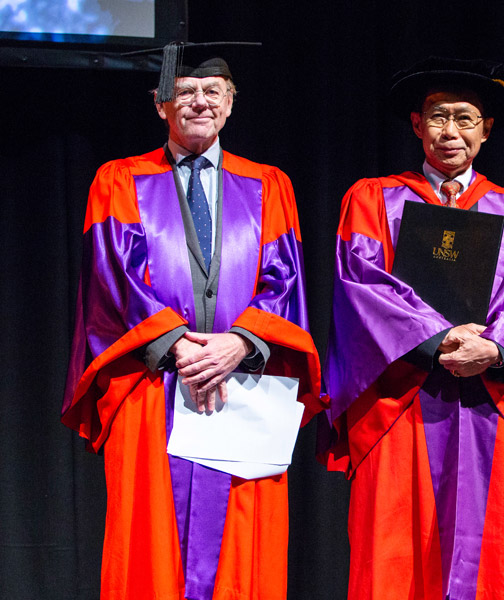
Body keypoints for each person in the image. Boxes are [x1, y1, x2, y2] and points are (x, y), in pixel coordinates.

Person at [61, 42, 322, 600]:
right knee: (148, 545)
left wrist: (241, 342)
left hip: (243, 386)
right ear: (161, 104)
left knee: (243, 547)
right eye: (185, 92)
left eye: (212, 92)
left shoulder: (269, 184)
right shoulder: (119, 179)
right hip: (150, 387)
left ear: (230, 103)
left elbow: (285, 279)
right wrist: (177, 344)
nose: (199, 102)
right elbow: (113, 276)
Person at [319, 56, 504, 600]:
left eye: (465, 118)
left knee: (494, 551)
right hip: (401, 398)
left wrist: (493, 348)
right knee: (395, 553)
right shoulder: (372, 196)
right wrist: (438, 338)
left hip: (489, 402)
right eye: (437, 116)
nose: (450, 131)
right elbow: (362, 285)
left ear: (488, 129)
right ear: (416, 125)